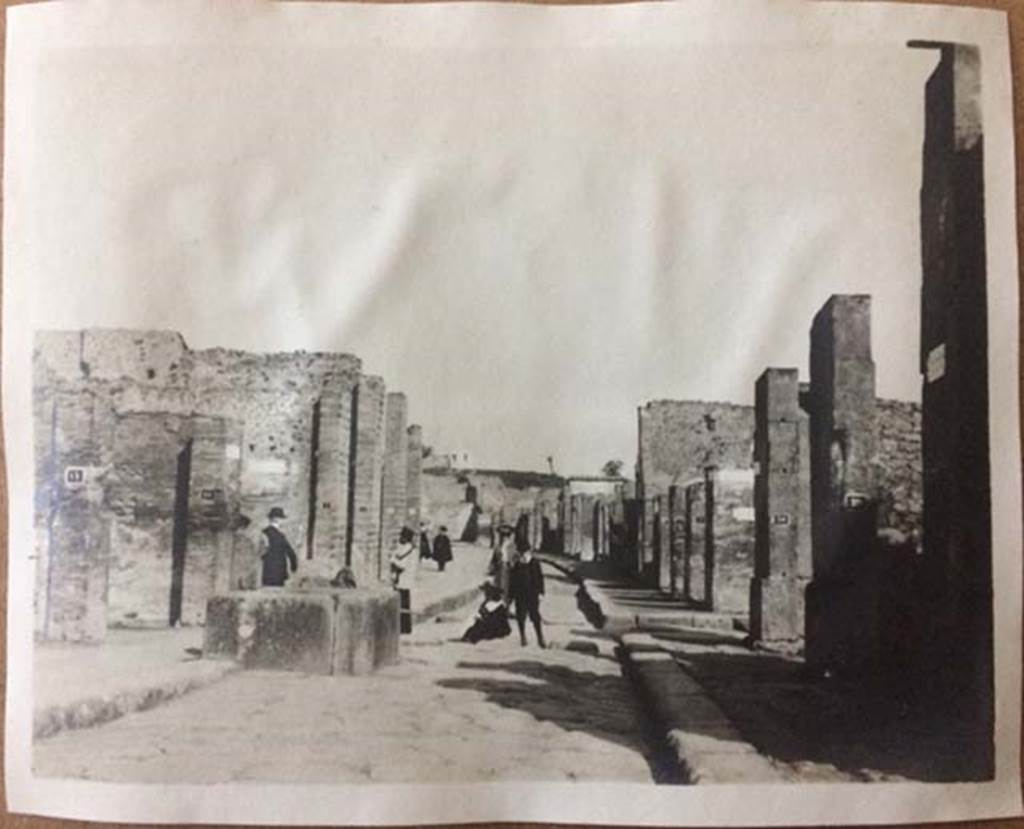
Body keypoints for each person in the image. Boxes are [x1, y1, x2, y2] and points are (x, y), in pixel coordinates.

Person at [508, 546, 546, 648]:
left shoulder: (535, 563)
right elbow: (512, 582)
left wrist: (541, 593)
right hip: (520, 595)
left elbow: (540, 579)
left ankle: (540, 637)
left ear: (529, 552)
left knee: (535, 616)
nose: (523, 555)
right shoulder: (517, 565)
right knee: (520, 616)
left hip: (532, 594)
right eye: (521, 553)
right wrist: (510, 597)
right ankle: (523, 637)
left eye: (525, 553)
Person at [259, 507, 298, 587]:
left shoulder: (264, 532)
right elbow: (290, 552)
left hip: (266, 571)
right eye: (281, 519)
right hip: (279, 572)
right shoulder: (280, 536)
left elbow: (260, 552)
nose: (282, 521)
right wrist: (293, 566)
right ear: (277, 519)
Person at [488, 524, 517, 601]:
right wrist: (491, 572)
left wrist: (512, 564)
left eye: (506, 535)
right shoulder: (498, 547)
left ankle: (506, 606)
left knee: (508, 591)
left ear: (509, 536)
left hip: (509, 571)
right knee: (498, 590)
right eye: (502, 535)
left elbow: (516, 560)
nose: (504, 538)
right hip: (499, 571)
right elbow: (493, 560)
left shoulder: (513, 546)